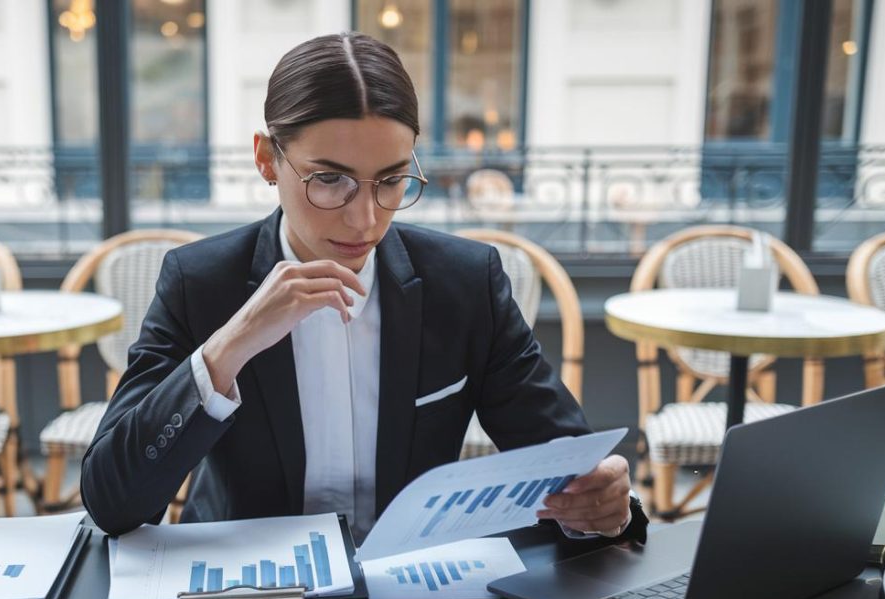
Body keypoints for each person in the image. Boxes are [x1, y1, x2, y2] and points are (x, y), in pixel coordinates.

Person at [81, 32, 646, 545]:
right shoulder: (200, 282)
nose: (365, 221)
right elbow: (114, 504)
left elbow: (568, 467)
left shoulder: (465, 283)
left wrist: (603, 506)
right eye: (330, 179)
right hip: (246, 597)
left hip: (413, 596)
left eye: (392, 181)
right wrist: (230, 346)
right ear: (265, 159)